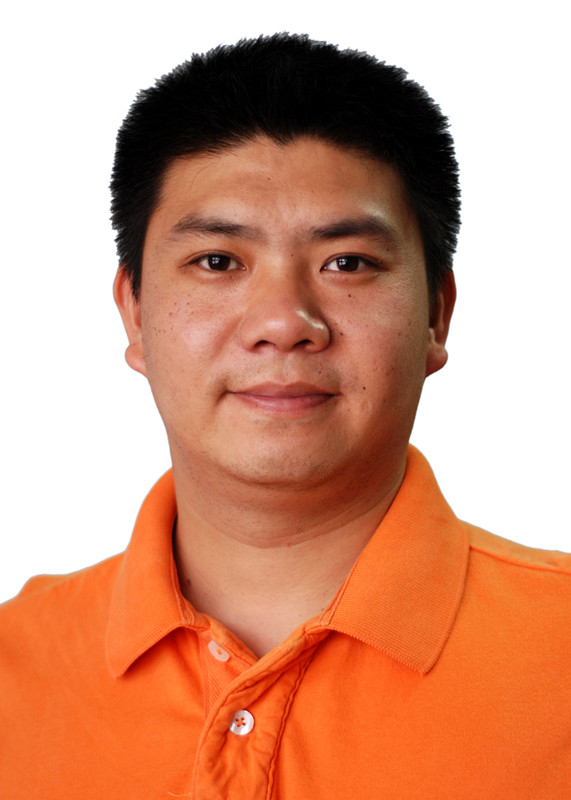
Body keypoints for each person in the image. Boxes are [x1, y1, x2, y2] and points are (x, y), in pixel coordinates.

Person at [1, 34, 569, 799]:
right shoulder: (14, 667)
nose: (283, 322)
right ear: (133, 312)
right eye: (217, 261)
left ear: (436, 314)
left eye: (347, 263)